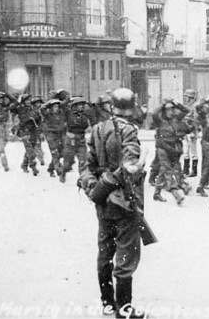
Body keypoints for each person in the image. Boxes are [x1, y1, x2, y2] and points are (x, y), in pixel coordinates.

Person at [79, 88, 148, 319]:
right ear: (132, 107)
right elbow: (130, 165)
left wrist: (94, 187)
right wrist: (137, 164)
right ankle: (124, 309)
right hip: (124, 199)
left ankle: (107, 304)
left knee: (105, 250)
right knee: (127, 253)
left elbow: (87, 165)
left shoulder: (97, 128)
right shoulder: (128, 130)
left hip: (103, 200)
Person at [152, 98, 193, 204]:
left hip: (173, 149)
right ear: (164, 111)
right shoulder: (160, 120)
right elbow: (155, 113)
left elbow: (185, 110)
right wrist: (163, 104)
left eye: (172, 109)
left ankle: (157, 193)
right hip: (162, 148)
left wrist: (176, 103)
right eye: (168, 110)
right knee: (168, 171)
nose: (171, 112)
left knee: (167, 170)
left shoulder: (175, 119)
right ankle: (176, 194)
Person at [182, 89, 199, 177]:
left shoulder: (195, 107)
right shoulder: (187, 106)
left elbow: (196, 120)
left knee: (193, 152)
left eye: (187, 96)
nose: (186, 98)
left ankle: (194, 171)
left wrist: (193, 130)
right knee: (185, 150)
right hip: (185, 130)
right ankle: (185, 170)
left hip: (192, 130)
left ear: (191, 97)